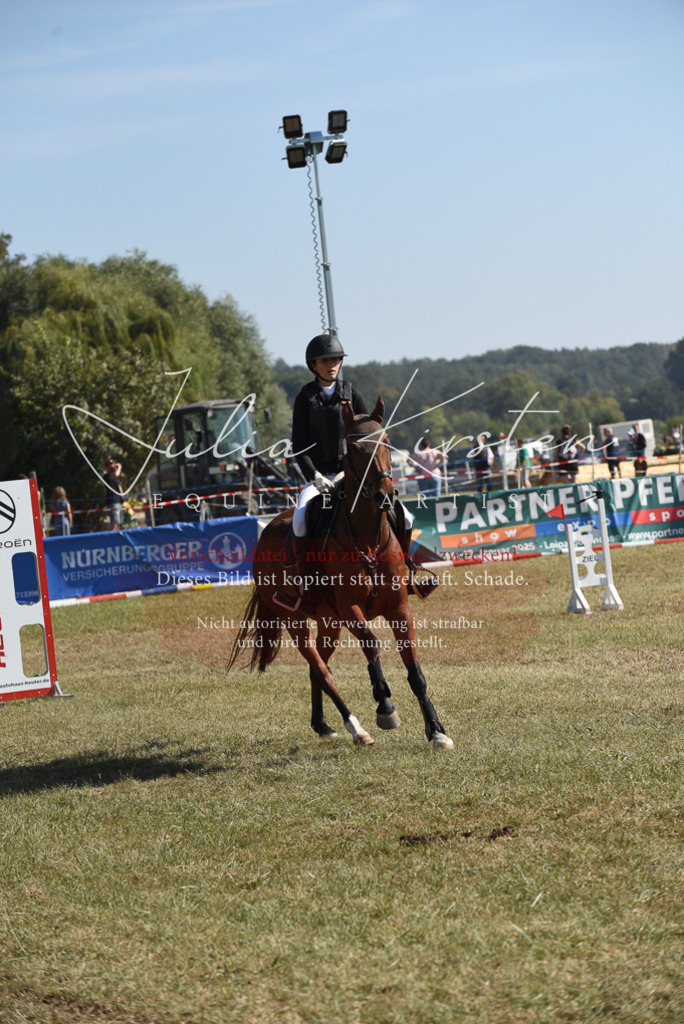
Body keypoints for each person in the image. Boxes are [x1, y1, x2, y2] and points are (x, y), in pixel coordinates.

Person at [274, 334, 431, 610]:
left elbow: (367, 434)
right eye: (325, 360)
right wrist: (315, 476)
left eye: (335, 359)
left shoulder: (350, 392)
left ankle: (408, 572)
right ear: (314, 365)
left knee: (406, 516)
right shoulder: (305, 398)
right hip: (320, 478)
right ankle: (304, 586)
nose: (331, 364)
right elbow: (299, 445)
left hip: (353, 476)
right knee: (299, 520)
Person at [103, 457, 124, 530]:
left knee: (119, 525)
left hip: (118, 502)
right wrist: (120, 467)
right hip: (113, 502)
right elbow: (116, 474)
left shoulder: (115, 479)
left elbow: (120, 489)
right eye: (111, 464)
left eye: (114, 463)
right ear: (107, 467)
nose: (114, 465)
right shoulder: (106, 476)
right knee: (115, 524)